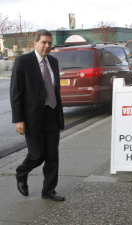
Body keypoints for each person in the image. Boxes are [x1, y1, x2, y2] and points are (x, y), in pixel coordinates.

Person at [10, 29, 65, 201]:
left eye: (49, 43)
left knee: (52, 156)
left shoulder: (53, 62)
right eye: (44, 42)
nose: (47, 46)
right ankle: (21, 172)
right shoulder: (23, 61)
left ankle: (49, 190)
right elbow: (16, 92)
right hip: (32, 117)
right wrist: (18, 119)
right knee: (37, 155)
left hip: (51, 114)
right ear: (35, 43)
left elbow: (55, 89)